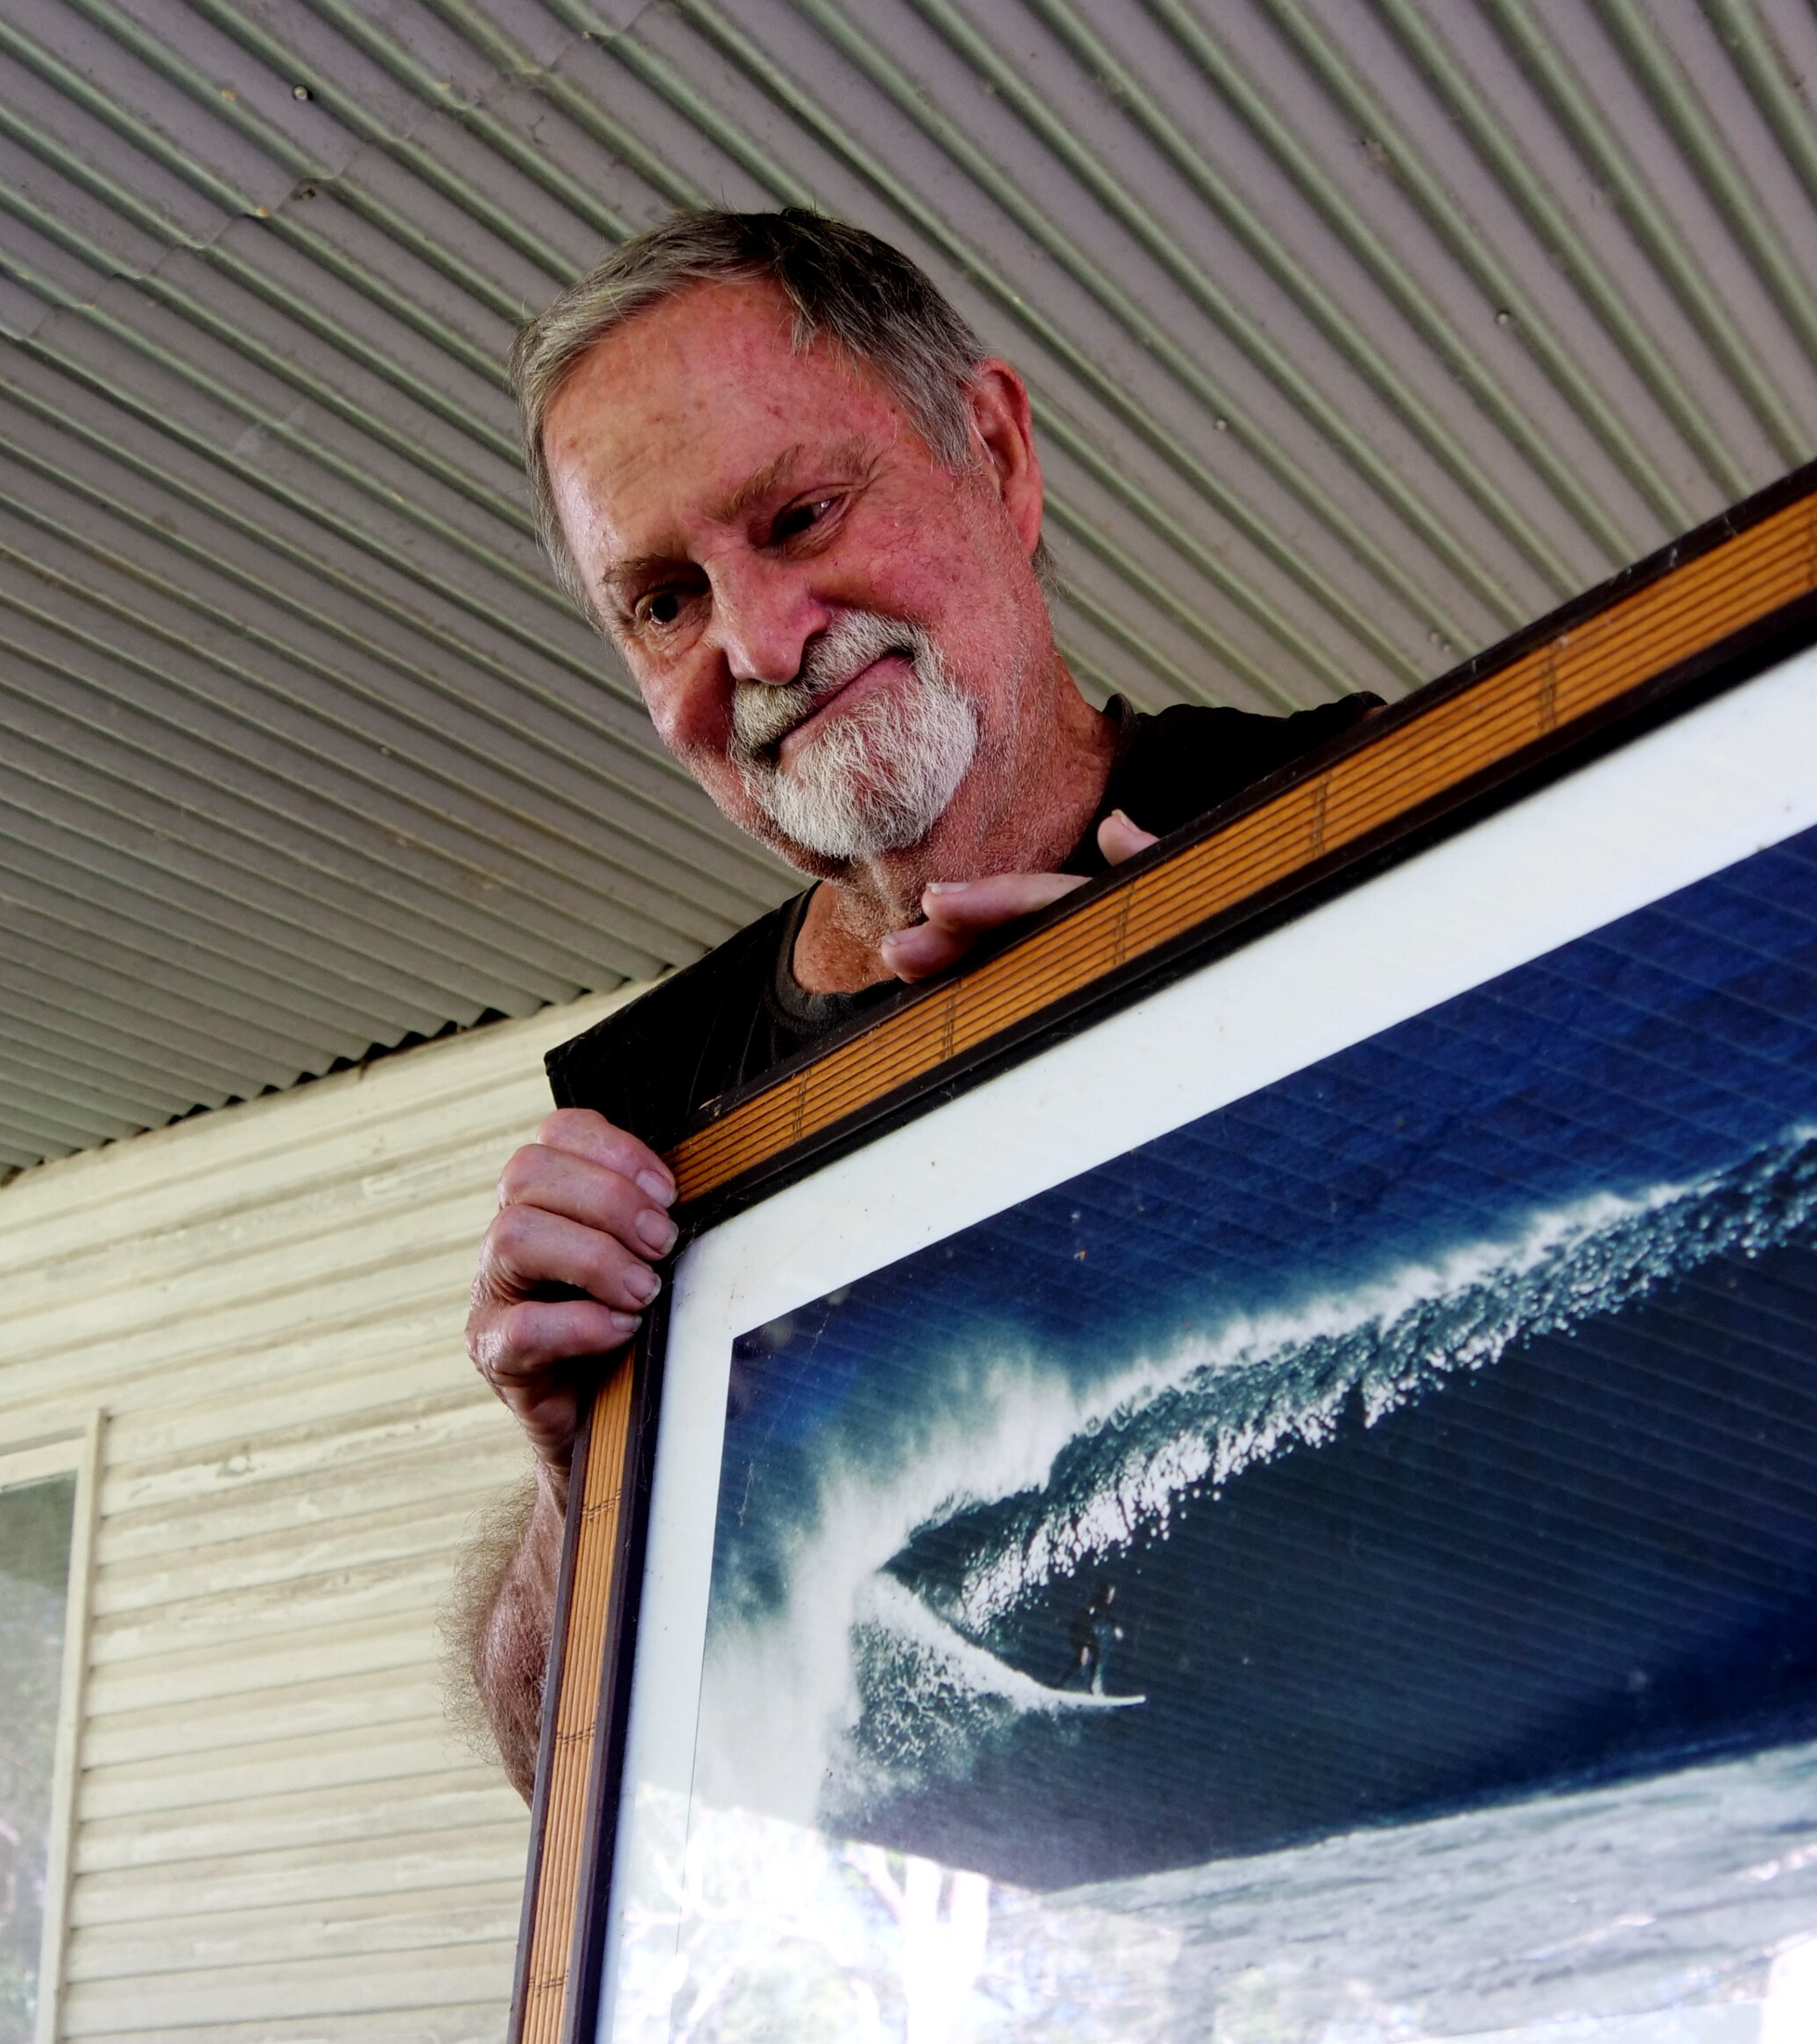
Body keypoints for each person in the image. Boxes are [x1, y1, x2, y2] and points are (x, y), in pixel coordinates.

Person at [459, 208, 1377, 1792]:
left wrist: (1250, 1059)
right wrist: (580, 1477)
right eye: (665, 601)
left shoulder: (1359, 819)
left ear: (1000, 459)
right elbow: (571, 1773)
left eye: (802, 515)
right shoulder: (649, 1112)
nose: (759, 641)